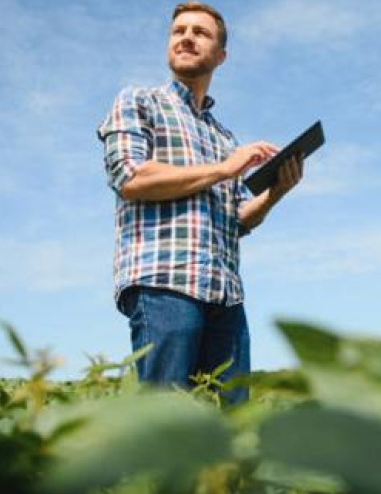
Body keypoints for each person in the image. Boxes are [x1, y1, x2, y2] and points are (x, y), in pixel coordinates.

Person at [97, 2, 303, 404]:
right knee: (168, 416)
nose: (187, 38)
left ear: (221, 55)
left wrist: (275, 192)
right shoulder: (139, 101)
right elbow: (130, 177)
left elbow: (236, 220)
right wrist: (225, 169)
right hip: (164, 283)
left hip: (226, 295)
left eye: (200, 32)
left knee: (232, 420)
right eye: (179, 31)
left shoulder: (224, 137)